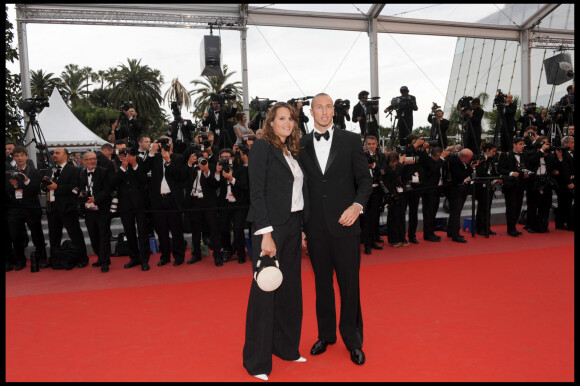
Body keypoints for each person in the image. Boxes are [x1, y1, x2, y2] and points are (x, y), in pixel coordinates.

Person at [300, 93, 372, 366]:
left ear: (333, 110)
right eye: (319, 107)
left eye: (328, 106)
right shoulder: (301, 144)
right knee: (322, 286)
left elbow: (365, 181)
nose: (324, 111)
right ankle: (326, 335)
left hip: (346, 226)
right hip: (315, 228)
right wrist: (301, 228)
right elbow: (299, 189)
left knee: (349, 286)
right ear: (311, 111)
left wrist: (357, 206)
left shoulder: (351, 140)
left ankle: (353, 340)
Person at [243, 102, 309, 380]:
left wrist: (302, 228)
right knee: (265, 291)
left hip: (293, 225)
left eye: (291, 119)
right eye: (281, 118)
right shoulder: (261, 147)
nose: (287, 123)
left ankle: (286, 347)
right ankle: (256, 361)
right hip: (270, 228)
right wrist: (266, 232)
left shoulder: (292, 151)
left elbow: (296, 195)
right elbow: (256, 192)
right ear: (271, 122)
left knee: (291, 290)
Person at [141, 136, 186, 266]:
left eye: (167, 143)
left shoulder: (178, 158)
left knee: (176, 230)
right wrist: (152, 152)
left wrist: (168, 161)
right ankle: (165, 256)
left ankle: (179, 256)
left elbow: (179, 176)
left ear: (172, 145)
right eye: (162, 143)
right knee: (161, 230)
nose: (165, 146)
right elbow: (143, 169)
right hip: (157, 200)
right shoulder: (154, 158)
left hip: (173, 199)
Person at [42, 147, 89, 268]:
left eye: (57, 153)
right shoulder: (50, 169)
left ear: (65, 156)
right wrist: (44, 186)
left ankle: (82, 258)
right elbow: (45, 187)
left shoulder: (73, 170)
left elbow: (74, 187)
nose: (54, 155)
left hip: (67, 207)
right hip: (52, 208)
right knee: (53, 236)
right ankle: (53, 258)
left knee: (75, 234)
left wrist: (57, 187)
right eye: (53, 153)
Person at [5, 146, 47, 271]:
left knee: (37, 234)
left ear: (26, 157)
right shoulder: (9, 173)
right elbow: (7, 190)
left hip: (31, 207)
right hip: (15, 208)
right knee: (16, 236)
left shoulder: (34, 171)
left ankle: (42, 258)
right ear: (14, 158)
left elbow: (35, 189)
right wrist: (15, 186)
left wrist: (25, 180)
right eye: (17, 156)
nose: (19, 158)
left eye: (22, 155)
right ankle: (20, 260)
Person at [184, 147, 224, 266]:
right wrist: (189, 163)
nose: (204, 160)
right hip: (194, 202)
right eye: (202, 158)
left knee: (213, 230)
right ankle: (196, 255)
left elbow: (215, 185)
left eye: (206, 158)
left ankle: (217, 256)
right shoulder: (192, 168)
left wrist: (207, 172)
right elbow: (182, 177)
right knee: (196, 230)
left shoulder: (211, 167)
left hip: (208, 203)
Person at [115, 146, 151, 271]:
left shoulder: (139, 161)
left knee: (143, 233)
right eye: (120, 152)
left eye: (124, 152)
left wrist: (134, 164)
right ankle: (134, 258)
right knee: (129, 233)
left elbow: (144, 180)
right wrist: (123, 167)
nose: (123, 154)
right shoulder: (114, 164)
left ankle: (144, 260)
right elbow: (113, 182)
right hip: (125, 205)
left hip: (140, 203)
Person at [78, 152, 114, 273]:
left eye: (94, 159)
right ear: (84, 161)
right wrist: (81, 195)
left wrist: (96, 198)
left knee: (103, 235)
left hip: (102, 209)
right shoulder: (82, 174)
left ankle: (105, 261)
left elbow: (108, 189)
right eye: (89, 159)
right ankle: (100, 257)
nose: (92, 161)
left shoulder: (104, 171)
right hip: (89, 210)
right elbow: (81, 188)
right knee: (93, 236)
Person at [216, 148, 249, 264]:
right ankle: (228, 251)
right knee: (223, 229)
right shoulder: (218, 170)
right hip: (224, 204)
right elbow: (212, 185)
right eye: (222, 158)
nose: (225, 160)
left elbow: (244, 185)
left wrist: (231, 179)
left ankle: (241, 254)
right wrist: (216, 173)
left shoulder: (240, 169)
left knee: (238, 229)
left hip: (238, 204)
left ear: (233, 158)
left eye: (227, 157)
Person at [498, 137, 531, 237]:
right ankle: (510, 228)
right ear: (514, 144)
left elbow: (525, 167)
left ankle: (514, 227)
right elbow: (500, 169)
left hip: (521, 184)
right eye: (520, 144)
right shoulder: (506, 155)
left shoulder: (524, 155)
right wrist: (511, 173)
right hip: (510, 185)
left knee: (518, 207)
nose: (522, 146)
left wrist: (526, 173)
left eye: (523, 144)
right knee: (511, 207)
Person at [445, 148, 479, 243]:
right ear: (466, 158)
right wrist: (471, 168)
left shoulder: (456, 160)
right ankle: (455, 234)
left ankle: (451, 231)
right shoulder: (455, 162)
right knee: (456, 212)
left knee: (455, 212)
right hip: (455, 189)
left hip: (458, 189)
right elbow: (460, 176)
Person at [418, 146, 450, 242]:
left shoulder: (438, 161)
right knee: (428, 213)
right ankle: (428, 234)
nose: (441, 159)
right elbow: (434, 169)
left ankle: (430, 232)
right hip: (428, 191)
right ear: (434, 155)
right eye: (439, 157)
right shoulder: (428, 161)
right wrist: (441, 159)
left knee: (433, 212)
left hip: (436, 190)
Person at [361, 135, 386, 255]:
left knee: (375, 218)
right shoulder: (360, 156)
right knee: (365, 219)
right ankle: (366, 245)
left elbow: (384, 171)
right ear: (365, 145)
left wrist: (374, 166)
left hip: (377, 191)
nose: (371, 146)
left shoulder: (381, 156)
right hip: (364, 192)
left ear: (377, 145)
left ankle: (373, 241)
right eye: (368, 144)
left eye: (373, 144)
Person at [523, 136, 552, 233]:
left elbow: (553, 164)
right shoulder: (530, 152)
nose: (546, 145)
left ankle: (543, 226)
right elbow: (531, 161)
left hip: (546, 181)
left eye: (547, 143)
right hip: (534, 181)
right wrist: (540, 152)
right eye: (544, 143)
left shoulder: (548, 154)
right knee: (532, 205)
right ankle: (531, 226)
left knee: (546, 205)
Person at [474, 142, 501, 236]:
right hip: (481, 187)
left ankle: (487, 227)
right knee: (482, 207)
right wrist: (493, 178)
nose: (494, 153)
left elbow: (494, 171)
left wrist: (498, 177)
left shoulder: (491, 160)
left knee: (488, 208)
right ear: (487, 151)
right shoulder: (479, 159)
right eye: (493, 151)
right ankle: (480, 227)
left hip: (490, 187)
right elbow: (480, 172)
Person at [382, 151, 408, 247]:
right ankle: (393, 239)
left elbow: (404, 179)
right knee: (393, 218)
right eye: (393, 162)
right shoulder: (385, 168)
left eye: (396, 161)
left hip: (401, 194)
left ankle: (402, 238)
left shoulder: (400, 167)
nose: (395, 163)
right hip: (390, 195)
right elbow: (387, 179)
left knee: (401, 216)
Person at [550, 135, 574, 231]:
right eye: (572, 143)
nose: (574, 144)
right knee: (564, 204)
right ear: (566, 143)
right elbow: (562, 170)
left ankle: (564, 223)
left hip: (569, 181)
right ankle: (563, 224)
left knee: (566, 204)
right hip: (562, 183)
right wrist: (568, 182)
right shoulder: (560, 153)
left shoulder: (569, 153)